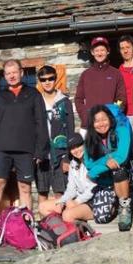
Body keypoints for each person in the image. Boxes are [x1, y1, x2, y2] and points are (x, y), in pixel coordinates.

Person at [0, 59, 48, 242]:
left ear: (22, 73)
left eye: (14, 72)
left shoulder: (33, 94)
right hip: (3, 149)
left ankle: (28, 226)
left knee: (25, 188)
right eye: (8, 73)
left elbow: (41, 124)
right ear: (4, 76)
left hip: (26, 150)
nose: (11, 75)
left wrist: (41, 150)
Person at [83, 104, 133, 231]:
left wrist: (95, 170)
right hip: (104, 182)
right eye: (97, 121)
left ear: (110, 119)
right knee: (101, 217)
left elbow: (121, 157)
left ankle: (124, 206)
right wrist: (107, 162)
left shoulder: (121, 129)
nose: (101, 124)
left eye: (104, 119)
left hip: (126, 176)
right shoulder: (89, 138)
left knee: (119, 169)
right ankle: (115, 203)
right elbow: (88, 164)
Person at [35, 65, 75, 205]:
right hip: (42, 155)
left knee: (60, 192)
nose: (47, 82)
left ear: (55, 79)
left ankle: (62, 225)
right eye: (43, 79)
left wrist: (67, 158)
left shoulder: (64, 102)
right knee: (42, 191)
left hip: (60, 153)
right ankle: (43, 224)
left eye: (50, 79)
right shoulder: (36, 101)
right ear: (39, 81)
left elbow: (70, 131)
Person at [38, 135, 98, 223]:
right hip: (77, 199)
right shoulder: (73, 164)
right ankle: (63, 231)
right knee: (43, 206)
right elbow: (71, 189)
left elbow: (93, 188)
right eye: (72, 148)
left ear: (84, 145)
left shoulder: (93, 160)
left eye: (78, 146)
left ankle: (77, 232)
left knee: (67, 214)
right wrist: (62, 202)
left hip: (93, 202)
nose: (76, 150)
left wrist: (77, 202)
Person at [75, 37, 126, 131]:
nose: (99, 53)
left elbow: (121, 98)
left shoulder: (116, 73)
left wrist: (113, 114)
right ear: (92, 52)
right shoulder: (85, 75)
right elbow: (78, 99)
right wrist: (86, 117)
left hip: (110, 125)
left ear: (108, 51)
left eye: (102, 50)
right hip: (90, 126)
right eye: (97, 50)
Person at [118, 35, 133, 136]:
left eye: (128, 47)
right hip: (125, 116)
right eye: (122, 48)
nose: (125, 51)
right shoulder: (118, 73)